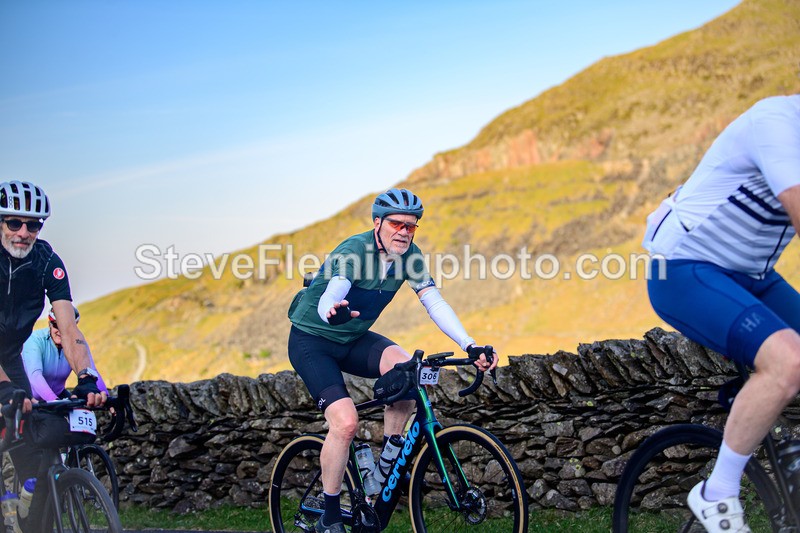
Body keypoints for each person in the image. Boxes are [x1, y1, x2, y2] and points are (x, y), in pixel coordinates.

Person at [287, 187, 497, 533]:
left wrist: (470, 345)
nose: (404, 231)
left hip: (352, 339)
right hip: (313, 341)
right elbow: (332, 292)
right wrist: (332, 313)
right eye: (396, 224)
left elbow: (434, 302)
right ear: (377, 223)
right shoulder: (355, 250)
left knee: (408, 373)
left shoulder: (411, 256)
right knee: (346, 423)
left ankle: (382, 471)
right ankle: (330, 515)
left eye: (411, 226)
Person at [643, 94, 800, 533]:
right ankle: (717, 494)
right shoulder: (778, 122)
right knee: (788, 361)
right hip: (683, 268)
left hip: (753, 275)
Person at [0, 180, 106, 532]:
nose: (23, 232)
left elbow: (69, 329)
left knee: (31, 451)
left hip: (10, 355)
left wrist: (86, 376)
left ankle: (30, 522)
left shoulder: (47, 261)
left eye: (33, 225)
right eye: (14, 223)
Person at [22, 305, 108, 401]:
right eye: (56, 325)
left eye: (65, 327)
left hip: (58, 394)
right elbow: (35, 375)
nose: (60, 331)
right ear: (49, 323)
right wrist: (54, 401)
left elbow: (92, 371)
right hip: (30, 399)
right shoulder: (34, 340)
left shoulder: (77, 343)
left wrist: (107, 399)